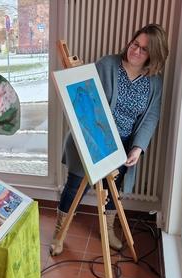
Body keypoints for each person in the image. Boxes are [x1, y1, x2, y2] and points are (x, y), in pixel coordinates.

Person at [50, 24, 169, 256]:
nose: (136, 51)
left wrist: (138, 147)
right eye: (135, 43)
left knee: (114, 192)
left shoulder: (154, 82)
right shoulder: (107, 65)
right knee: (74, 188)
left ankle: (109, 229)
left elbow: (151, 116)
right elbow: (85, 99)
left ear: (153, 55)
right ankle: (59, 232)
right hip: (91, 140)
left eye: (144, 49)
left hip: (122, 145)